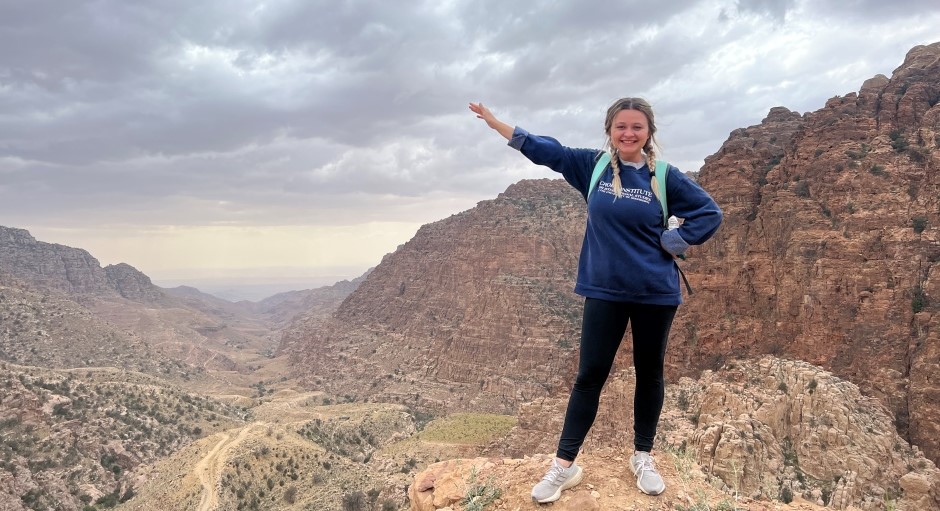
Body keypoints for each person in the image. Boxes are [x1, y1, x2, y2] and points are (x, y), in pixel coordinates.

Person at [469, 98, 722, 503]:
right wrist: (500, 125)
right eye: (621, 126)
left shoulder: (665, 177)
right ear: (610, 130)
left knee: (649, 373)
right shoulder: (594, 167)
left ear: (648, 132)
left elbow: (709, 214)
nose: (628, 133)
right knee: (590, 376)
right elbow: (547, 151)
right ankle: (563, 467)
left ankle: (643, 456)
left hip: (655, 293)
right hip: (604, 290)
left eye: (636, 127)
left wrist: (674, 241)